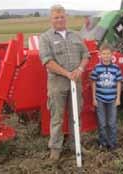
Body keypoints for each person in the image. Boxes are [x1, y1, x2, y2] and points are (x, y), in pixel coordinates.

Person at [39, 4, 89, 161]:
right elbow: (47, 61)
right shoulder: (45, 38)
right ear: (51, 19)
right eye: (56, 17)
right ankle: (55, 148)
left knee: (76, 115)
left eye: (62, 17)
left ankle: (76, 145)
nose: (59, 20)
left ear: (65, 17)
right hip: (57, 84)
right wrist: (67, 73)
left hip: (76, 82)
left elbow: (86, 55)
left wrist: (80, 69)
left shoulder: (76, 35)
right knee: (57, 117)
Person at [91, 43, 123, 150]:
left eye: (108, 54)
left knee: (112, 122)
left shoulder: (116, 68)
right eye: (103, 54)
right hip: (100, 99)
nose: (106, 56)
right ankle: (103, 143)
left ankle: (112, 143)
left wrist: (118, 98)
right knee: (102, 123)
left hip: (112, 99)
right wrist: (94, 98)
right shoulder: (97, 68)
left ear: (112, 55)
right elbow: (93, 82)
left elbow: (119, 83)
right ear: (100, 55)